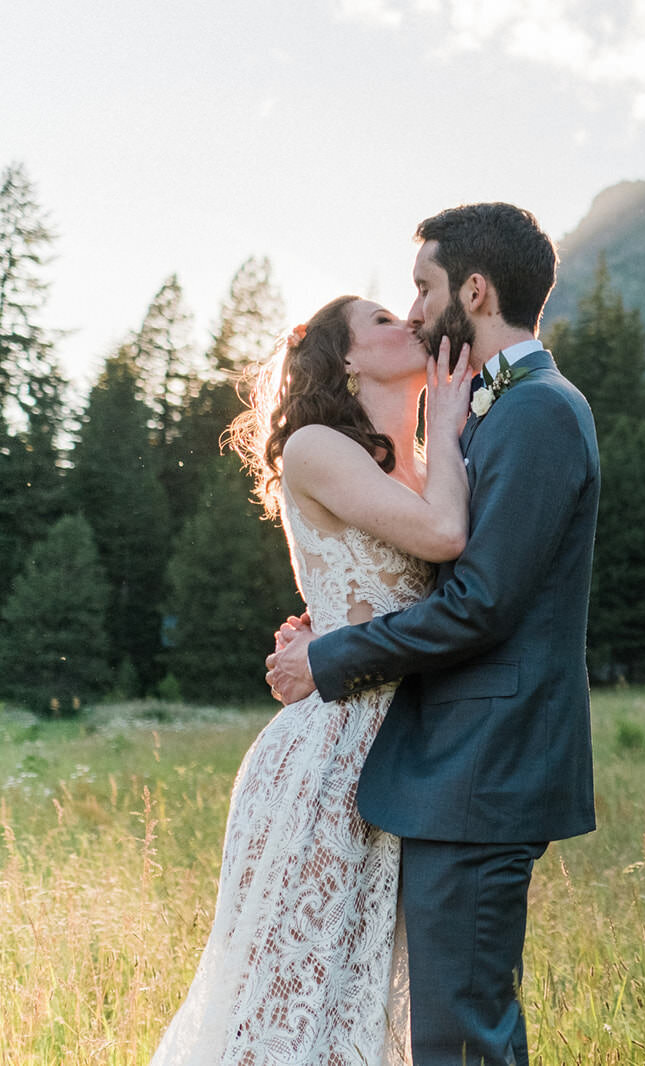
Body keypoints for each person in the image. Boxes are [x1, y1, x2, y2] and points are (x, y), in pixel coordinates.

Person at [266, 202, 601, 1066]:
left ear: (475, 291)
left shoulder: (536, 413)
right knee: (438, 1031)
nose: (414, 311)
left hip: (485, 769)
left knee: (461, 1041)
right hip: (446, 766)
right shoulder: (493, 413)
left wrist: (328, 656)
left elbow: (480, 604)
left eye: (422, 288)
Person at [149, 294, 478, 1064]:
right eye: (383, 321)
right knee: (290, 992)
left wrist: (316, 632)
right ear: (349, 357)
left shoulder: (430, 465)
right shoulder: (317, 446)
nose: (409, 323)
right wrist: (455, 425)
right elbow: (445, 535)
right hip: (329, 754)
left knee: (364, 998)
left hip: (406, 749)